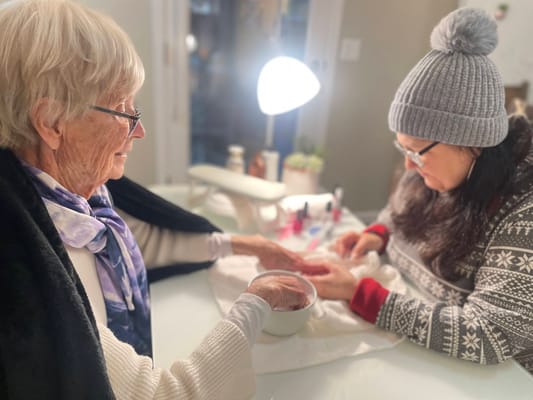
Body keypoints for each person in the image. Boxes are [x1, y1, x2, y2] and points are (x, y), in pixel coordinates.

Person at [0, 0, 311, 398]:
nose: (140, 130)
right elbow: (162, 394)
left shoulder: (74, 206)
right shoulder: (25, 270)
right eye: (121, 109)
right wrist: (256, 301)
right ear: (51, 122)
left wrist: (242, 244)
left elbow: (136, 243)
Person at [303, 8, 533, 373]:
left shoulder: (523, 210)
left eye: (417, 151)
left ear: (473, 145)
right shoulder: (433, 167)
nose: (409, 165)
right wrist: (378, 235)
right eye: (403, 148)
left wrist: (358, 293)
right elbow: (394, 215)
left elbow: (491, 334)